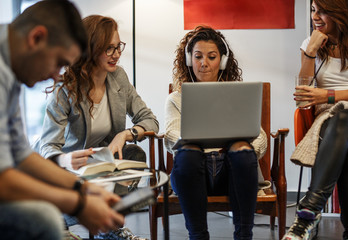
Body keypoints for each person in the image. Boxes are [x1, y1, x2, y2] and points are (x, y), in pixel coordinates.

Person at [0, 1, 125, 240]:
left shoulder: (11, 68)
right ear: (37, 38)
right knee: (44, 220)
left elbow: (21, 154)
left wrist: (84, 189)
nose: (56, 75)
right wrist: (78, 205)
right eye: (59, 62)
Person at [34, 15, 159, 240]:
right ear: (91, 49)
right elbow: (47, 145)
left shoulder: (118, 77)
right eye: (108, 49)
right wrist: (65, 160)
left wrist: (126, 134)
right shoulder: (66, 89)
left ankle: (106, 228)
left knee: (135, 154)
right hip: (71, 166)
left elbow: (150, 120)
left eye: (118, 46)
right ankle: (71, 222)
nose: (117, 54)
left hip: (101, 163)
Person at [164, 25, 268, 240]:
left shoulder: (237, 95)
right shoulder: (176, 98)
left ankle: (244, 236)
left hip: (231, 171)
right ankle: (198, 236)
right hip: (191, 172)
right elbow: (171, 136)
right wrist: (196, 140)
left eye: (211, 57)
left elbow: (260, 136)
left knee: (242, 149)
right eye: (198, 56)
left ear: (221, 61)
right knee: (188, 151)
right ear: (188, 60)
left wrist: (246, 148)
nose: (204, 63)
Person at [283, 0, 348, 239]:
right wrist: (310, 53)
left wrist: (329, 94)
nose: (315, 16)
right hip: (332, 118)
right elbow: (303, 99)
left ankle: (307, 212)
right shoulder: (311, 44)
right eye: (313, 10)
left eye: (323, 11)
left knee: (344, 113)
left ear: (342, 11)